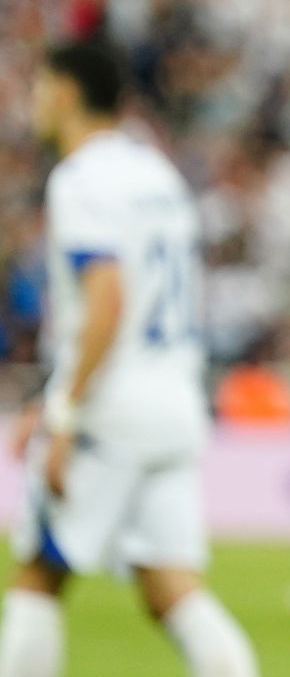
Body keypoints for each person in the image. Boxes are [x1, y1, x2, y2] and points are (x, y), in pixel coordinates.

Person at [0, 41, 260, 677]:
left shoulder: (81, 179)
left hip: (113, 408)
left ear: (64, 92)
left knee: (39, 572)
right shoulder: (158, 174)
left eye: (38, 87)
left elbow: (108, 300)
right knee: (170, 585)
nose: (32, 102)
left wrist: (62, 412)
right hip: (174, 401)